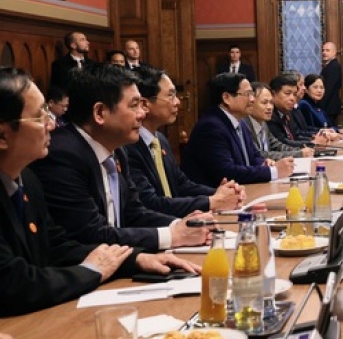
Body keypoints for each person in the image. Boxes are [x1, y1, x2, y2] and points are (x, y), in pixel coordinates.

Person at [0, 67, 199, 317]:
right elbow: (12, 282)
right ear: (3, 136)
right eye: (40, 116)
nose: (51, 124)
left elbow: (57, 246)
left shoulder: (27, 179)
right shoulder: (61, 155)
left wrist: (134, 259)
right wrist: (91, 271)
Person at [28, 64, 213, 252]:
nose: (142, 113)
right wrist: (172, 236)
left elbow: (134, 214)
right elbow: (91, 234)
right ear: (100, 113)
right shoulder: (63, 156)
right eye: (134, 105)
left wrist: (181, 225)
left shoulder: (118, 150)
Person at [124, 66, 245, 218]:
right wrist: (211, 201)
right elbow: (151, 203)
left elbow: (181, 184)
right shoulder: (128, 146)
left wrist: (221, 193)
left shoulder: (160, 139)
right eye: (170, 96)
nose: (177, 102)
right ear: (145, 104)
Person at [182, 72, 295, 185]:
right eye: (248, 94)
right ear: (226, 98)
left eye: (252, 94)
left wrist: (263, 163)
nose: (252, 99)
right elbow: (227, 172)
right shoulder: (211, 127)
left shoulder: (240, 122)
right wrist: (273, 171)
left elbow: (254, 156)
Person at [244, 82, 313, 160]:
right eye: (264, 102)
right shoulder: (244, 126)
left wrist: (301, 151)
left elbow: (277, 146)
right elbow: (259, 154)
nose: (270, 107)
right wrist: (298, 153)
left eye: (271, 103)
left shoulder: (263, 123)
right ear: (250, 103)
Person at [319, 42, 343, 126]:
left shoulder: (333, 66)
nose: (324, 52)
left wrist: (319, 105)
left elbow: (329, 88)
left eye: (327, 50)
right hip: (329, 105)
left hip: (329, 106)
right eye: (323, 50)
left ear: (334, 52)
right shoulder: (330, 65)